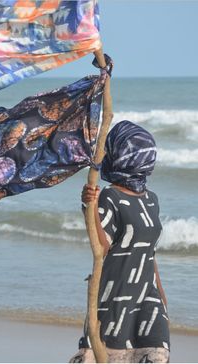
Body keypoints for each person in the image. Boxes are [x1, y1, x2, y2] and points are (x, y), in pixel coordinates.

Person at [70, 120, 170, 363]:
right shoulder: (110, 195)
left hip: (148, 294)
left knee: (155, 353)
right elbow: (101, 246)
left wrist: (161, 293)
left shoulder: (151, 199)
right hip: (116, 294)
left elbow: (149, 251)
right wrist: (90, 205)